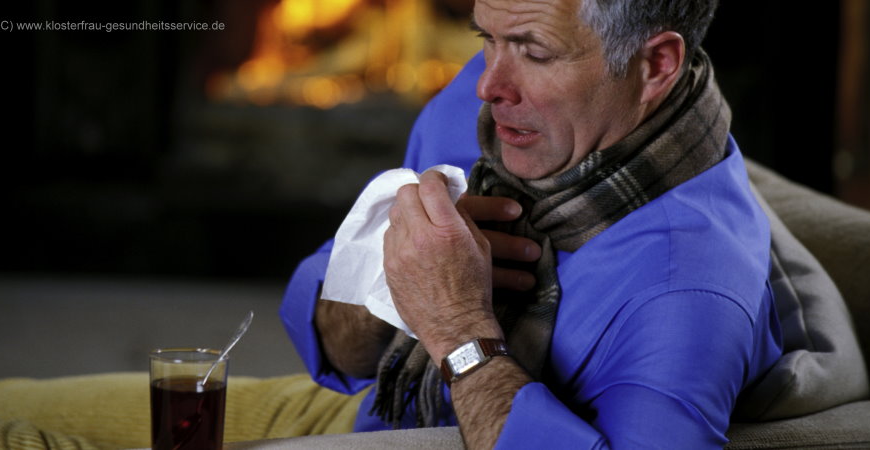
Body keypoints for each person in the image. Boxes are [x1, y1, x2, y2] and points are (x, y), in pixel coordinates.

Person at [280, 0, 783, 447]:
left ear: (655, 64)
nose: (486, 84)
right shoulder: (474, 112)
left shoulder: (687, 290)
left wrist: (458, 330)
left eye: (534, 52)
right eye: (487, 39)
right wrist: (395, 279)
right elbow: (335, 350)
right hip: (359, 414)